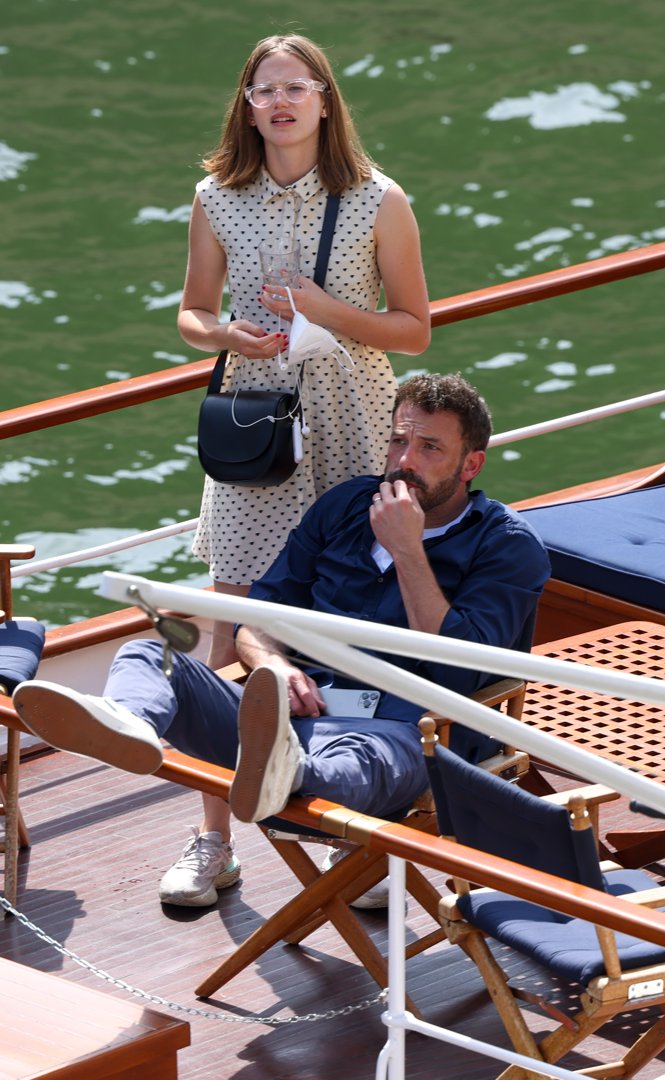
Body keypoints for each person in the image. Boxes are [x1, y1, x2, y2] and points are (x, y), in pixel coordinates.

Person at [13, 375, 550, 910]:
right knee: (153, 653)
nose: (405, 459)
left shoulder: (506, 546)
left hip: (408, 731)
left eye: (429, 447)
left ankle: (287, 774)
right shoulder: (344, 507)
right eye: (397, 440)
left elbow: (457, 673)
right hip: (288, 717)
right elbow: (257, 617)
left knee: (357, 760)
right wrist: (274, 664)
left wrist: (408, 550)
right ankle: (130, 723)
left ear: (471, 464)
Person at [177, 34, 430, 896]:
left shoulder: (377, 199)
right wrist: (225, 334)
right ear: (246, 105)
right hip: (257, 420)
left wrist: (324, 308)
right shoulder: (217, 197)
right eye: (263, 89)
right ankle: (213, 841)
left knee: (356, 613)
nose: (280, 102)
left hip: (354, 414)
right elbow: (190, 313)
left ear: (325, 99)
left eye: (297, 86)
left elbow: (414, 328)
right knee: (232, 615)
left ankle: (351, 825)